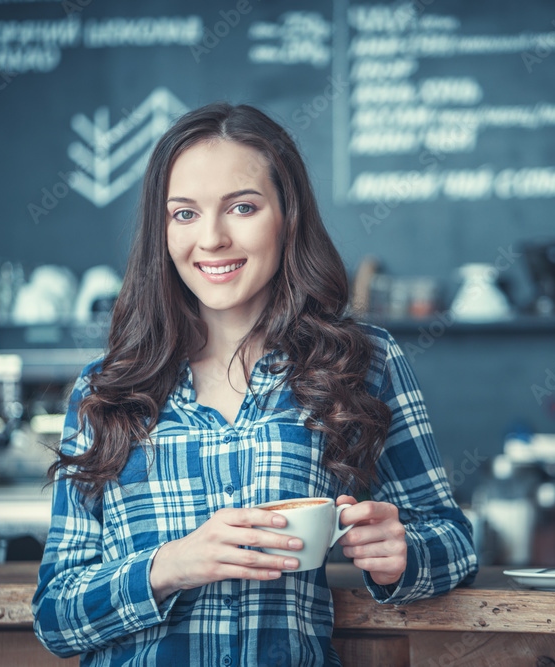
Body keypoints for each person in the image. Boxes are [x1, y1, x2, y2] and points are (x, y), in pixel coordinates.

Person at [32, 102, 478, 666]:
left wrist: (403, 553)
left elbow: (455, 542)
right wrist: (172, 564)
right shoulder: (107, 390)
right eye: (185, 214)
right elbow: (54, 618)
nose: (212, 238)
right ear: (162, 229)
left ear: (287, 215)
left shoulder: (362, 362)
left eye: (241, 207)